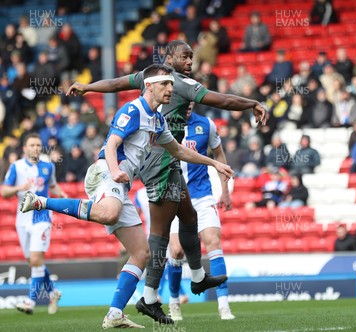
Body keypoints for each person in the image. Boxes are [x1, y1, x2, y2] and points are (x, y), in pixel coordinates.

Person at [66, 40, 266, 323]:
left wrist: (88, 87)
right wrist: (252, 103)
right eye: (184, 56)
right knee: (160, 232)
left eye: (192, 57)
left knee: (188, 215)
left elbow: (115, 84)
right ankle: (149, 298)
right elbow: (222, 100)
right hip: (159, 160)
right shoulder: (179, 84)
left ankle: (196, 277)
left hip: (167, 155)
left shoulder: (150, 78)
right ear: (169, 57)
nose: (189, 61)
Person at [19, 66, 234, 327]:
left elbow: (178, 150)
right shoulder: (132, 110)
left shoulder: (158, 120)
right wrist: (115, 170)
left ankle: (114, 313)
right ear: (150, 86)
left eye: (171, 84)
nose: (171, 89)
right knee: (109, 212)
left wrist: (214, 163)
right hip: (104, 173)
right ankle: (41, 201)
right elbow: (111, 145)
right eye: (166, 84)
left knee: (141, 252)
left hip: (121, 183)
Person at [160, 104, 235, 321]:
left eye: (192, 99)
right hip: (174, 196)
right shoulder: (164, 123)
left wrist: (225, 191)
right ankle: (174, 302)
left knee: (213, 242)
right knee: (175, 252)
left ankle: (223, 305)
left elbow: (219, 155)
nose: (189, 103)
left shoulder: (206, 125)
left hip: (202, 196)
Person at [1, 134, 68, 315]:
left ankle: (30, 301)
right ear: (25, 148)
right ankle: (53, 292)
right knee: (32, 261)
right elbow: (5, 191)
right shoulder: (17, 167)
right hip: (22, 219)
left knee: (36, 259)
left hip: (42, 217)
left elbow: (52, 186)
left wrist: (62, 195)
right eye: (32, 145)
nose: (36, 148)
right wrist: (19, 188)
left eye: (38, 145)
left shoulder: (48, 166)